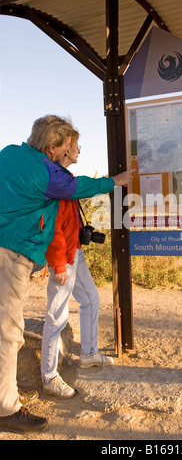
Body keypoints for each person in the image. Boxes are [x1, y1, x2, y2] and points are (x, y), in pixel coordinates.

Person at [0, 115, 133, 433]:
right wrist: (116, 180)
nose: (73, 150)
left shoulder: (8, 153)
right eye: (69, 145)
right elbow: (78, 187)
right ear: (53, 146)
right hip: (12, 254)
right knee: (9, 333)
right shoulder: (51, 177)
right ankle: (7, 408)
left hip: (10, 245)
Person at [41, 140, 113, 399]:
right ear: (60, 148)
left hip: (76, 253)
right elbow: (53, 227)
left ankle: (88, 354)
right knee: (56, 316)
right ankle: (49, 376)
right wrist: (59, 263)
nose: (79, 151)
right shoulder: (54, 181)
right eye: (75, 146)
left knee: (92, 299)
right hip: (64, 257)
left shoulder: (65, 178)